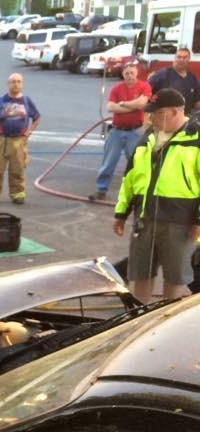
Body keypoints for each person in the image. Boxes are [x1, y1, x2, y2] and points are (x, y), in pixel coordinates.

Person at [113, 88, 200, 304]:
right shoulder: (149, 137)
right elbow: (130, 177)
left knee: (176, 280)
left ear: (173, 112)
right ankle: (136, 318)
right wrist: (121, 212)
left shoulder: (195, 139)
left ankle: (169, 327)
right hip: (145, 220)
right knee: (139, 275)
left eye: (156, 113)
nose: (150, 118)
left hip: (180, 224)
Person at [90, 63, 152, 202]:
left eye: (132, 73)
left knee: (137, 163)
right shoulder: (117, 88)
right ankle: (101, 190)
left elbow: (142, 103)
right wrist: (132, 106)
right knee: (108, 163)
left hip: (135, 132)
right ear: (123, 74)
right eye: (127, 73)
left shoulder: (144, 86)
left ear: (136, 73)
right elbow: (111, 107)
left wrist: (123, 104)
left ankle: (138, 192)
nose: (129, 76)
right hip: (117, 131)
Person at [0, 73, 40, 205]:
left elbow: (36, 118)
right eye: (13, 82)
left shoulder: (27, 101)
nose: (15, 84)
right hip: (1, 140)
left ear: (22, 84)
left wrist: (28, 133)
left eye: (18, 82)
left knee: (17, 169)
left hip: (18, 141)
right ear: (8, 84)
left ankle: (17, 194)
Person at [148, 46, 200, 112]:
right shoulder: (162, 74)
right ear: (174, 58)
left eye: (184, 57)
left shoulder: (192, 79)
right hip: (165, 117)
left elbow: (196, 102)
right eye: (179, 57)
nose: (181, 60)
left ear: (189, 59)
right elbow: (146, 92)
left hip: (185, 118)